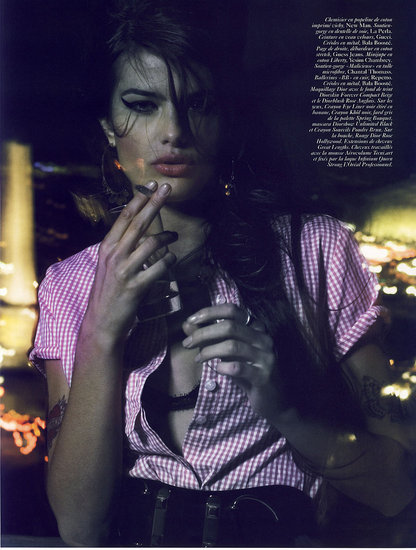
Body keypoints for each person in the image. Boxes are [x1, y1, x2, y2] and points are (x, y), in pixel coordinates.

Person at [30, 0, 415, 546]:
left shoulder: (316, 249)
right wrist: (101, 332)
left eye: (199, 104)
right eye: (143, 105)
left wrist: (285, 409)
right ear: (108, 126)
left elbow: (397, 487)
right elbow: (78, 527)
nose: (174, 132)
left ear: (227, 118)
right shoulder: (70, 284)